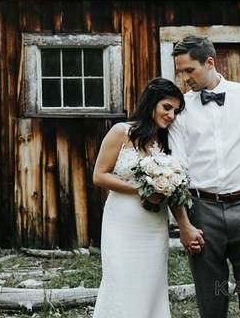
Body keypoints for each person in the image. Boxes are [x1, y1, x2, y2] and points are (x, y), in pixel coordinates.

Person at [168, 35, 240, 318]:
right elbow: (176, 168)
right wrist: (183, 223)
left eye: (189, 70)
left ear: (210, 62)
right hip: (202, 210)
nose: (184, 78)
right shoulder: (181, 111)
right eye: (180, 72)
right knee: (211, 301)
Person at [92, 77, 186, 318]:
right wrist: (142, 189)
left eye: (175, 111)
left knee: (150, 282)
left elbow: (174, 191)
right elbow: (99, 176)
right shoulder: (121, 132)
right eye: (167, 107)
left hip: (154, 225)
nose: (171, 115)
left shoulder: (164, 144)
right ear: (152, 103)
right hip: (122, 220)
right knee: (121, 278)